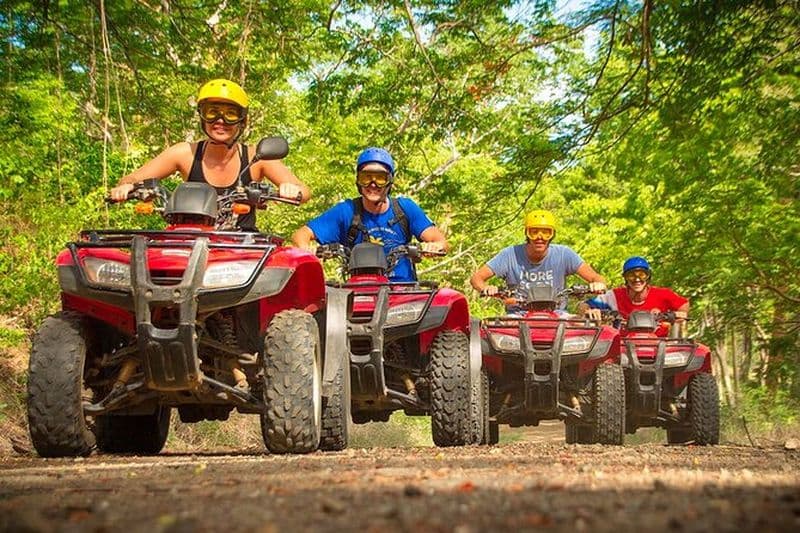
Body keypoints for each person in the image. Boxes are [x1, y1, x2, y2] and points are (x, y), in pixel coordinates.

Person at [109, 78, 310, 230]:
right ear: (202, 117)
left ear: (242, 121)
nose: (220, 120)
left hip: (244, 248)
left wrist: (290, 188)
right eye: (212, 112)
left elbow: (305, 191)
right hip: (188, 241)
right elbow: (134, 177)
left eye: (230, 114)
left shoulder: (256, 158)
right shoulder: (185, 153)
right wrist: (126, 186)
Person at [291, 147, 447, 282]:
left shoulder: (405, 208)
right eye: (366, 177)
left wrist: (433, 246)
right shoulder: (346, 211)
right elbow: (301, 234)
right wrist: (306, 248)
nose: (373, 184)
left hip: (403, 291)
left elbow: (441, 241)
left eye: (380, 178)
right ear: (358, 181)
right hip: (360, 291)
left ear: (390, 181)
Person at [469, 210, 606, 312]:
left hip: (557, 315)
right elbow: (476, 278)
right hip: (518, 315)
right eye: (534, 232)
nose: (539, 237)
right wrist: (486, 289)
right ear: (526, 233)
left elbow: (595, 277)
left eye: (546, 232)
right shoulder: (509, 255)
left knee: (585, 336)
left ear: (552, 235)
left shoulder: (564, 254)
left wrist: (598, 284)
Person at [579, 256, 689, 328]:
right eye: (631, 275)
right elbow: (584, 306)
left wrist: (677, 318)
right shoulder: (614, 296)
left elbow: (683, 304)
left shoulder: (663, 294)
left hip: (659, 343)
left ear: (648, 277)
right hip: (622, 346)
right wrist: (590, 312)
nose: (637, 279)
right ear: (625, 278)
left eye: (642, 275)